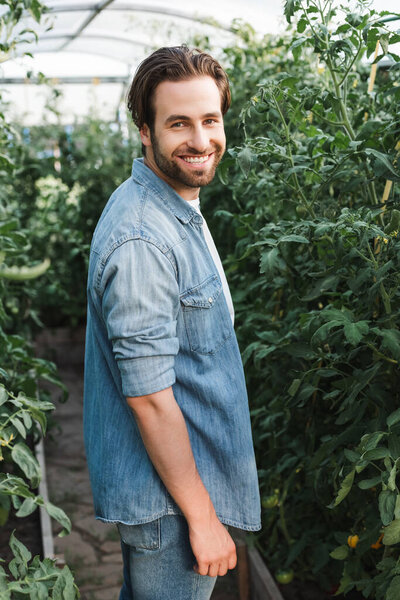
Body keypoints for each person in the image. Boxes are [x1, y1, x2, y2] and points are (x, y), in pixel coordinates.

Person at [83, 45, 261, 600]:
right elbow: (150, 397)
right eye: (178, 123)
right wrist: (203, 519)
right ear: (145, 130)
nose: (201, 140)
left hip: (172, 496)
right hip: (171, 508)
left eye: (210, 119)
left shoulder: (173, 207)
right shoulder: (143, 239)